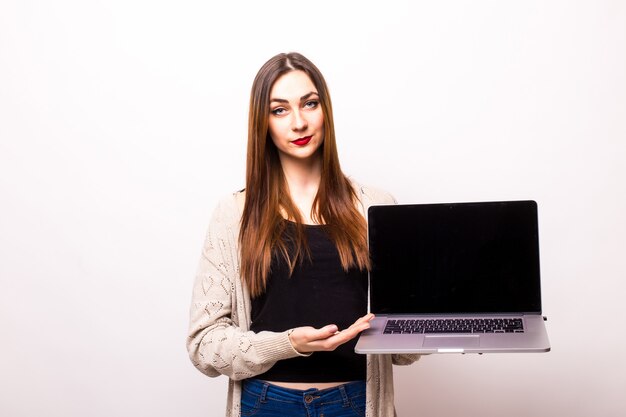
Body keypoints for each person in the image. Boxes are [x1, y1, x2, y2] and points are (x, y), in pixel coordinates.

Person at [187, 52, 420, 417]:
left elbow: (405, 353)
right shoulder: (234, 214)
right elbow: (204, 346)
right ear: (262, 123)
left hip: (356, 403)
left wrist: (431, 319)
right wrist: (286, 344)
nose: (298, 122)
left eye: (309, 104)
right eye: (279, 110)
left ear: (324, 109)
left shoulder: (377, 205)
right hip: (266, 403)